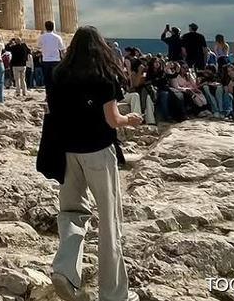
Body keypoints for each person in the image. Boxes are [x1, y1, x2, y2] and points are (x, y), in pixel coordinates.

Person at [46, 26, 142, 301]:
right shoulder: (104, 76)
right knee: (110, 222)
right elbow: (112, 119)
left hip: (67, 153)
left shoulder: (58, 75)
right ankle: (114, 295)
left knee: (71, 213)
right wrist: (130, 120)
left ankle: (64, 269)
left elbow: (54, 112)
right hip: (98, 152)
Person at [37, 20, 65, 94]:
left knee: (47, 80)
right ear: (53, 27)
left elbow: (39, 47)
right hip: (56, 61)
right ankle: (57, 94)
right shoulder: (58, 37)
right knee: (56, 79)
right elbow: (62, 50)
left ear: (45, 28)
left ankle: (48, 95)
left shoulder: (41, 37)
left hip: (46, 61)